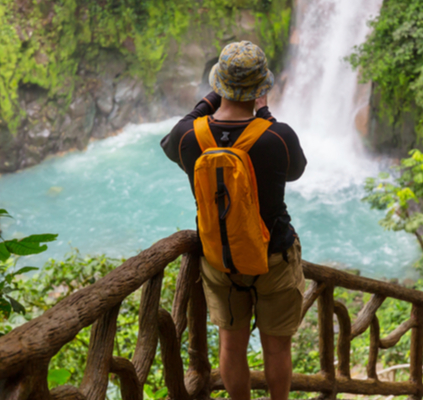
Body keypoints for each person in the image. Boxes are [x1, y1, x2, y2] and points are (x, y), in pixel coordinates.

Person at [160, 41, 307, 400]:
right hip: (273, 257)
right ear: (262, 89)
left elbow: (171, 136)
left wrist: (210, 100)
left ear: (218, 85)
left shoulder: (190, 137)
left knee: (231, 346)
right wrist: (266, 114)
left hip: (219, 259)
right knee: (277, 348)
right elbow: (296, 172)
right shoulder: (277, 136)